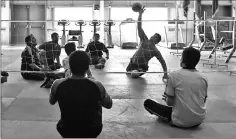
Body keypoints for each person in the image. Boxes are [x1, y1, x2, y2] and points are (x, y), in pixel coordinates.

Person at [49, 50, 113, 138]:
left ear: (70, 66)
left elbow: (51, 101)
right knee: (98, 100)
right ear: (87, 68)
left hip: (65, 129)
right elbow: (109, 104)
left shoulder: (57, 84)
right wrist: (91, 78)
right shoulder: (97, 85)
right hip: (92, 130)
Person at [144, 47, 208, 128]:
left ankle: (177, 118)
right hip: (199, 120)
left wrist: (168, 98)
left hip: (180, 120)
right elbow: (203, 100)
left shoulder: (173, 75)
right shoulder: (203, 77)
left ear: (183, 61)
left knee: (148, 103)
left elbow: (169, 103)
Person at [126, 6, 168, 79]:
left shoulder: (155, 51)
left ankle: (138, 72)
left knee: (134, 74)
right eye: (153, 36)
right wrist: (140, 14)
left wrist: (165, 74)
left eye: (155, 38)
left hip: (142, 67)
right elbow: (139, 26)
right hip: (132, 63)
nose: (153, 37)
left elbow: (162, 62)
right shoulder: (144, 39)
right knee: (128, 73)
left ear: (157, 42)